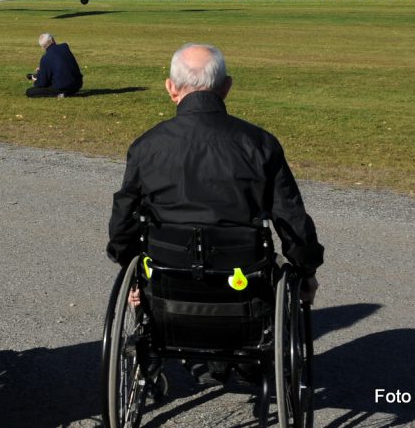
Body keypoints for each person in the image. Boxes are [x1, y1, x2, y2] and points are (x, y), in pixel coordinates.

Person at [107, 43, 323, 302]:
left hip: (167, 283)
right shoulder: (260, 144)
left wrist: (127, 264)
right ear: (226, 87)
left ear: (171, 88)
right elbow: (291, 218)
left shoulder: (147, 146)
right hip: (241, 285)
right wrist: (305, 270)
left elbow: (123, 220)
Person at [26, 32, 83, 98]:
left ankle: (61, 94)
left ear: (43, 47)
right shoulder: (65, 47)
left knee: (29, 92)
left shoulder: (45, 58)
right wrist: (43, 70)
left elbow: (42, 83)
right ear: (52, 40)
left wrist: (36, 80)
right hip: (78, 84)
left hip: (64, 87)